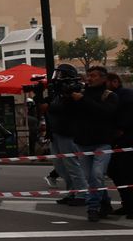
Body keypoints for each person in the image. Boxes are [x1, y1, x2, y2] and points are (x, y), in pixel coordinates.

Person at [74, 65, 121, 221]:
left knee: (97, 174)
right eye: (88, 75)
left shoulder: (109, 96)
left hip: (102, 142)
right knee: (91, 178)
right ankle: (105, 202)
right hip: (83, 142)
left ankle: (92, 207)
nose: (90, 79)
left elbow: (105, 113)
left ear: (103, 78)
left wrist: (83, 100)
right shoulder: (80, 94)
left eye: (93, 75)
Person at [47, 64, 89, 207]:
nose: (57, 78)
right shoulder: (58, 92)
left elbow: (67, 109)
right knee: (60, 166)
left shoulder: (75, 89)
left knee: (72, 164)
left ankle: (83, 193)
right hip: (56, 132)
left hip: (68, 132)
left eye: (60, 74)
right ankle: (72, 191)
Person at [106, 71, 133, 216]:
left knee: (124, 172)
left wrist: (121, 127)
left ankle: (129, 204)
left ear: (115, 82)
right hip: (120, 139)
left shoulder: (125, 95)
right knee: (117, 171)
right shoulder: (120, 95)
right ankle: (127, 204)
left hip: (126, 139)